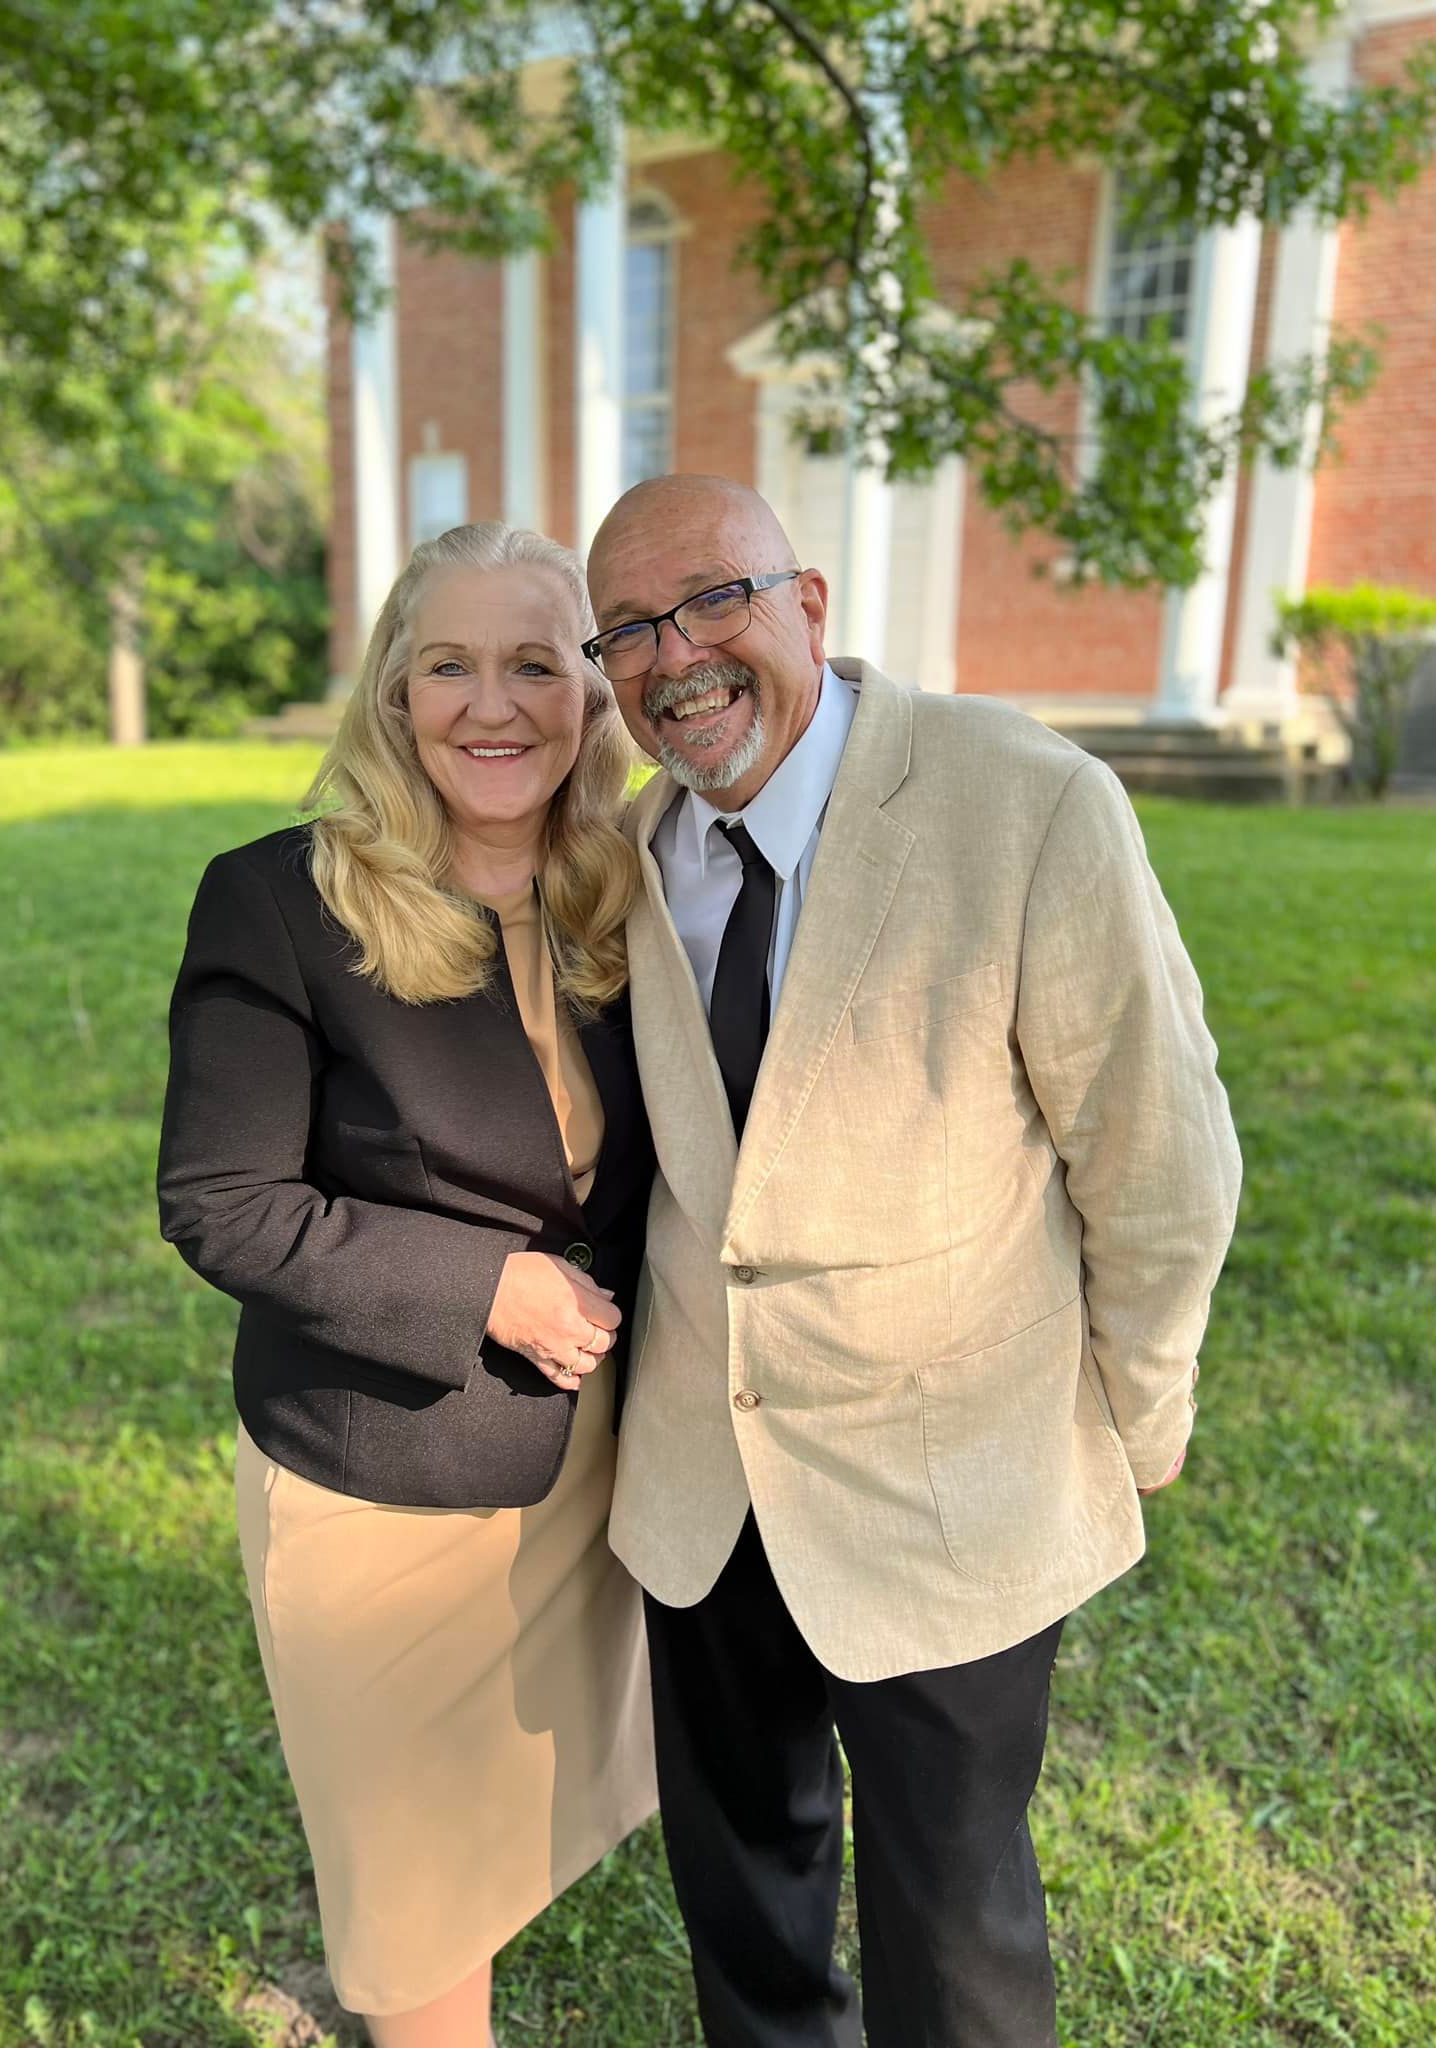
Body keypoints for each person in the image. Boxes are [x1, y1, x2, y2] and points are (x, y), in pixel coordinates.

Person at [583, 474, 1242, 2048]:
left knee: (956, 1928)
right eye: (627, 629)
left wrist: (1138, 1415)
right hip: (704, 1478)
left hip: (956, 1485)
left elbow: (1160, 1160)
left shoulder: (1026, 800)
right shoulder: (627, 850)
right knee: (744, 1885)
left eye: (712, 602)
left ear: (808, 603)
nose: (674, 656)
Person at [157, 522, 658, 2048]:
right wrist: (485, 1286)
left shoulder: (632, 886)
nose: (491, 706)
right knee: (413, 1900)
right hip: (380, 1480)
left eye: (535, 663)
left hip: (595, 1461)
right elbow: (223, 1204)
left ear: (592, 692)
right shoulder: (281, 900)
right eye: (450, 664)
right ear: (393, 693)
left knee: (511, 1828)